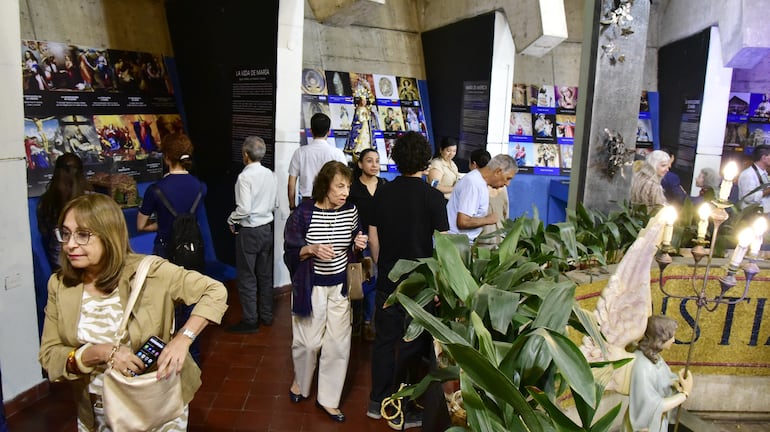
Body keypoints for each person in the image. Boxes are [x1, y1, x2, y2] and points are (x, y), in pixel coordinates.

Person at [38, 193, 228, 431]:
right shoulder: (60, 284)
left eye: (83, 235)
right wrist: (99, 353)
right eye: (65, 234)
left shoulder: (150, 273)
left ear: (109, 235)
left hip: (155, 406)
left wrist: (184, 338)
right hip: (98, 414)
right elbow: (50, 356)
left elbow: (215, 291)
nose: (70, 244)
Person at [367, 131, 450, 429]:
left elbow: (373, 236)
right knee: (413, 344)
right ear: (425, 160)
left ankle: (377, 402)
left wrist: (383, 265)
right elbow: (443, 245)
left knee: (385, 342)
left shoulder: (383, 192)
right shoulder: (433, 197)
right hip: (421, 287)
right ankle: (402, 406)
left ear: (396, 158)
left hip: (389, 280)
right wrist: (440, 284)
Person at [283, 161, 368, 423]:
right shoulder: (304, 213)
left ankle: (328, 399)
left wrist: (358, 242)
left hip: (340, 286)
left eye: (348, 187)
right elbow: (289, 252)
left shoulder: (351, 210)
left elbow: (355, 241)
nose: (345, 192)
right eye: (339, 186)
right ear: (325, 186)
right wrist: (311, 249)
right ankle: (301, 381)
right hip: (311, 287)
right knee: (308, 343)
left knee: (338, 345)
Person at [137, 132, 207, 364]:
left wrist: (164, 224)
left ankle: (168, 356)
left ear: (166, 157)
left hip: (166, 250)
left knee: (167, 305)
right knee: (192, 300)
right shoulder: (200, 187)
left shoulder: (155, 190)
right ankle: (191, 355)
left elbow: (141, 224)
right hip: (193, 248)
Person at [226, 136, 277, 333]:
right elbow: (275, 204)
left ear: (245, 155)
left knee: (247, 277)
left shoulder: (244, 177)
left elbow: (244, 209)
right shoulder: (271, 174)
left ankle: (250, 320)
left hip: (249, 231)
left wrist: (232, 219)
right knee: (265, 275)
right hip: (267, 229)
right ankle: (267, 315)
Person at [624, 315, 693, 432]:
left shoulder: (655, 357)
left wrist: (677, 382)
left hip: (657, 423)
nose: (674, 340)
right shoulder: (643, 366)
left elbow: (665, 380)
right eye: (671, 336)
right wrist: (685, 394)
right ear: (661, 338)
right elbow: (653, 406)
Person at [347, 148, 387, 341]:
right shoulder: (353, 188)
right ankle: (355, 320)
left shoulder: (384, 186)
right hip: (358, 243)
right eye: (369, 161)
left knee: (373, 281)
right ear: (360, 164)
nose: (374, 165)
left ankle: (368, 321)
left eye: (377, 161)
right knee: (357, 281)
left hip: (379, 241)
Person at [37, 153, 94, 271]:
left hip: (59, 263)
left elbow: (44, 231)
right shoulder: (91, 200)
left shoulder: (45, 201)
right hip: (85, 262)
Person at [447, 154, 518, 243]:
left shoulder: (479, 182)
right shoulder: (474, 184)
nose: (507, 184)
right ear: (498, 171)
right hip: (457, 243)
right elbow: (463, 222)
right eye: (507, 178)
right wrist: (488, 219)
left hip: (461, 242)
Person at [288, 113, 347, 210]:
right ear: (328, 132)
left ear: (311, 131)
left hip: (307, 202)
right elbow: (344, 180)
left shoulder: (300, 152)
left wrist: (292, 205)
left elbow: (291, 181)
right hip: (331, 202)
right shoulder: (337, 153)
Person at [469, 149, 509, 247]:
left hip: (480, 239)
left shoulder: (473, 186)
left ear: (474, 165)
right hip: (500, 237)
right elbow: (505, 213)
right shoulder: (502, 186)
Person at [737, 144, 770, 213]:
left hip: (763, 213)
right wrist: (767, 191)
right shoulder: (748, 174)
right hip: (751, 215)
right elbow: (748, 198)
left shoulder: (763, 172)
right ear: (764, 158)